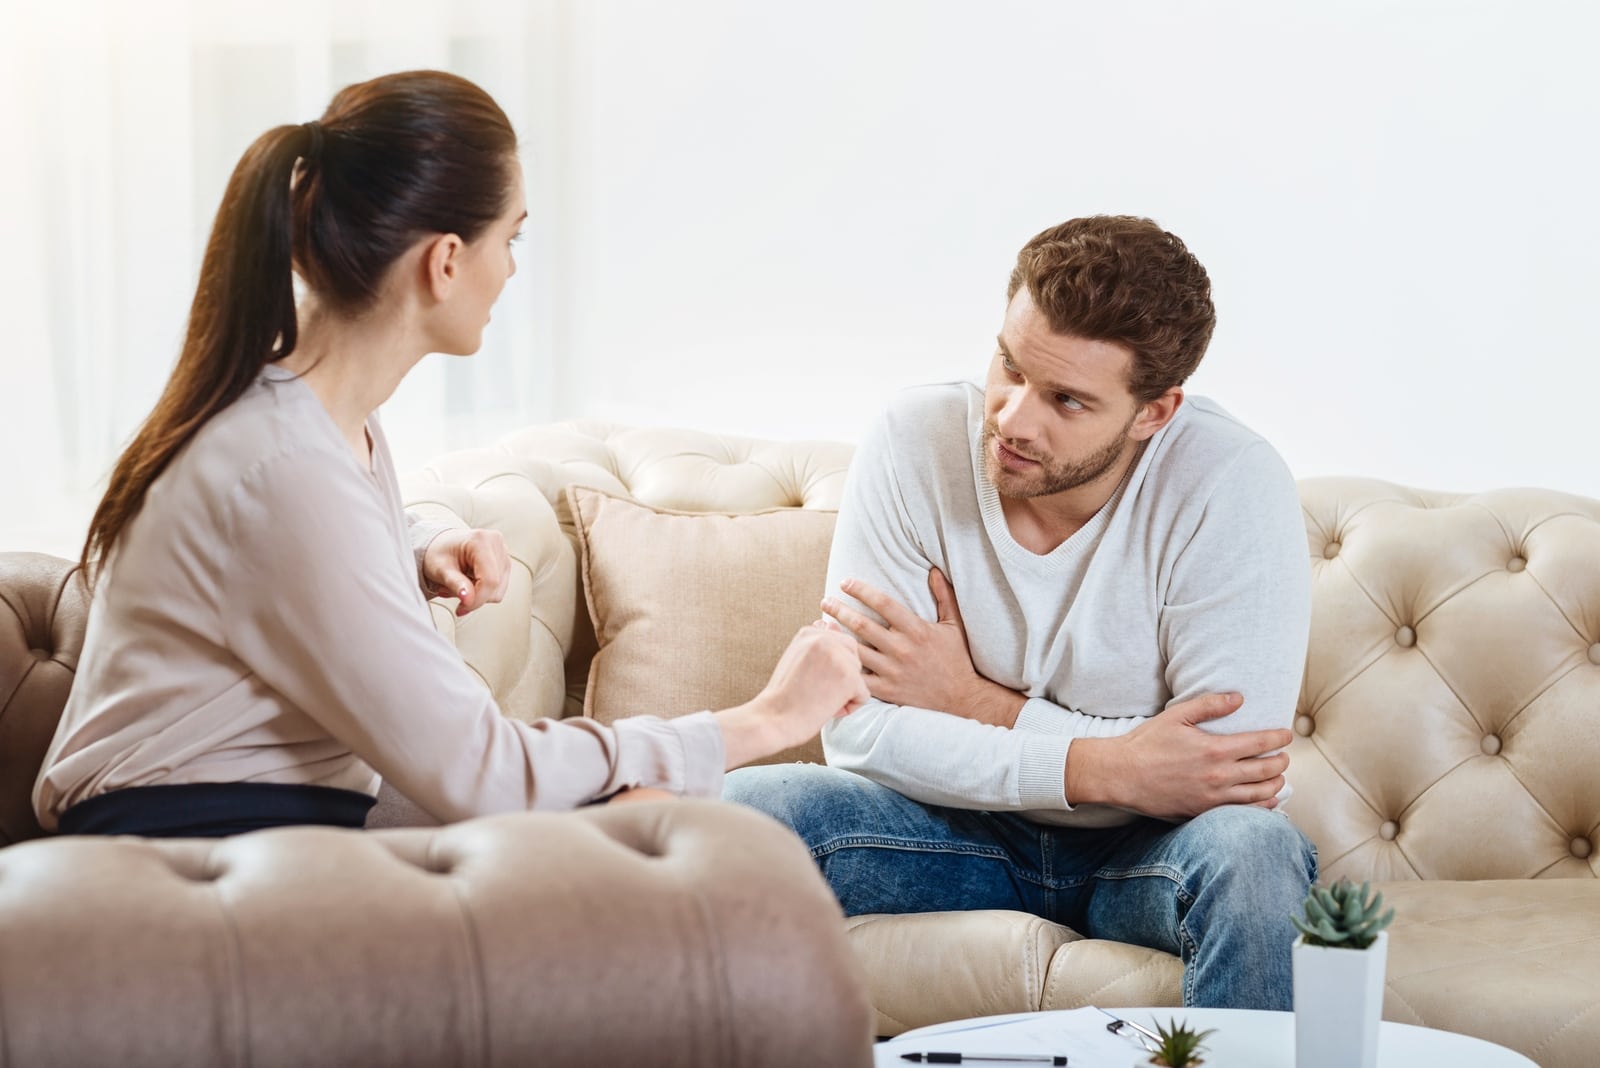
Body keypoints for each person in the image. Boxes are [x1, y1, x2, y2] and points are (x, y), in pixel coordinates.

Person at [35, 70, 868, 839]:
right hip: (179, 864)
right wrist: (761, 721)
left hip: (250, 839)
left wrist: (417, 550)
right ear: (444, 261)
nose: (509, 270)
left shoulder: (308, 427)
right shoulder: (281, 462)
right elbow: (480, 771)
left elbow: (306, 549)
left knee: (626, 826)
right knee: (632, 834)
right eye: (512, 239)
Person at [724, 215, 1317, 1010]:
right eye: (1010, 366)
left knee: (1254, 852)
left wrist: (974, 704)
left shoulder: (1231, 483)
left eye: (1067, 401)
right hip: (950, 831)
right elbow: (859, 733)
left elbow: (1219, 777)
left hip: (1146, 852)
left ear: (1154, 412)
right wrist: (1110, 767)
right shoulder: (914, 441)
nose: (1011, 419)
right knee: (748, 813)